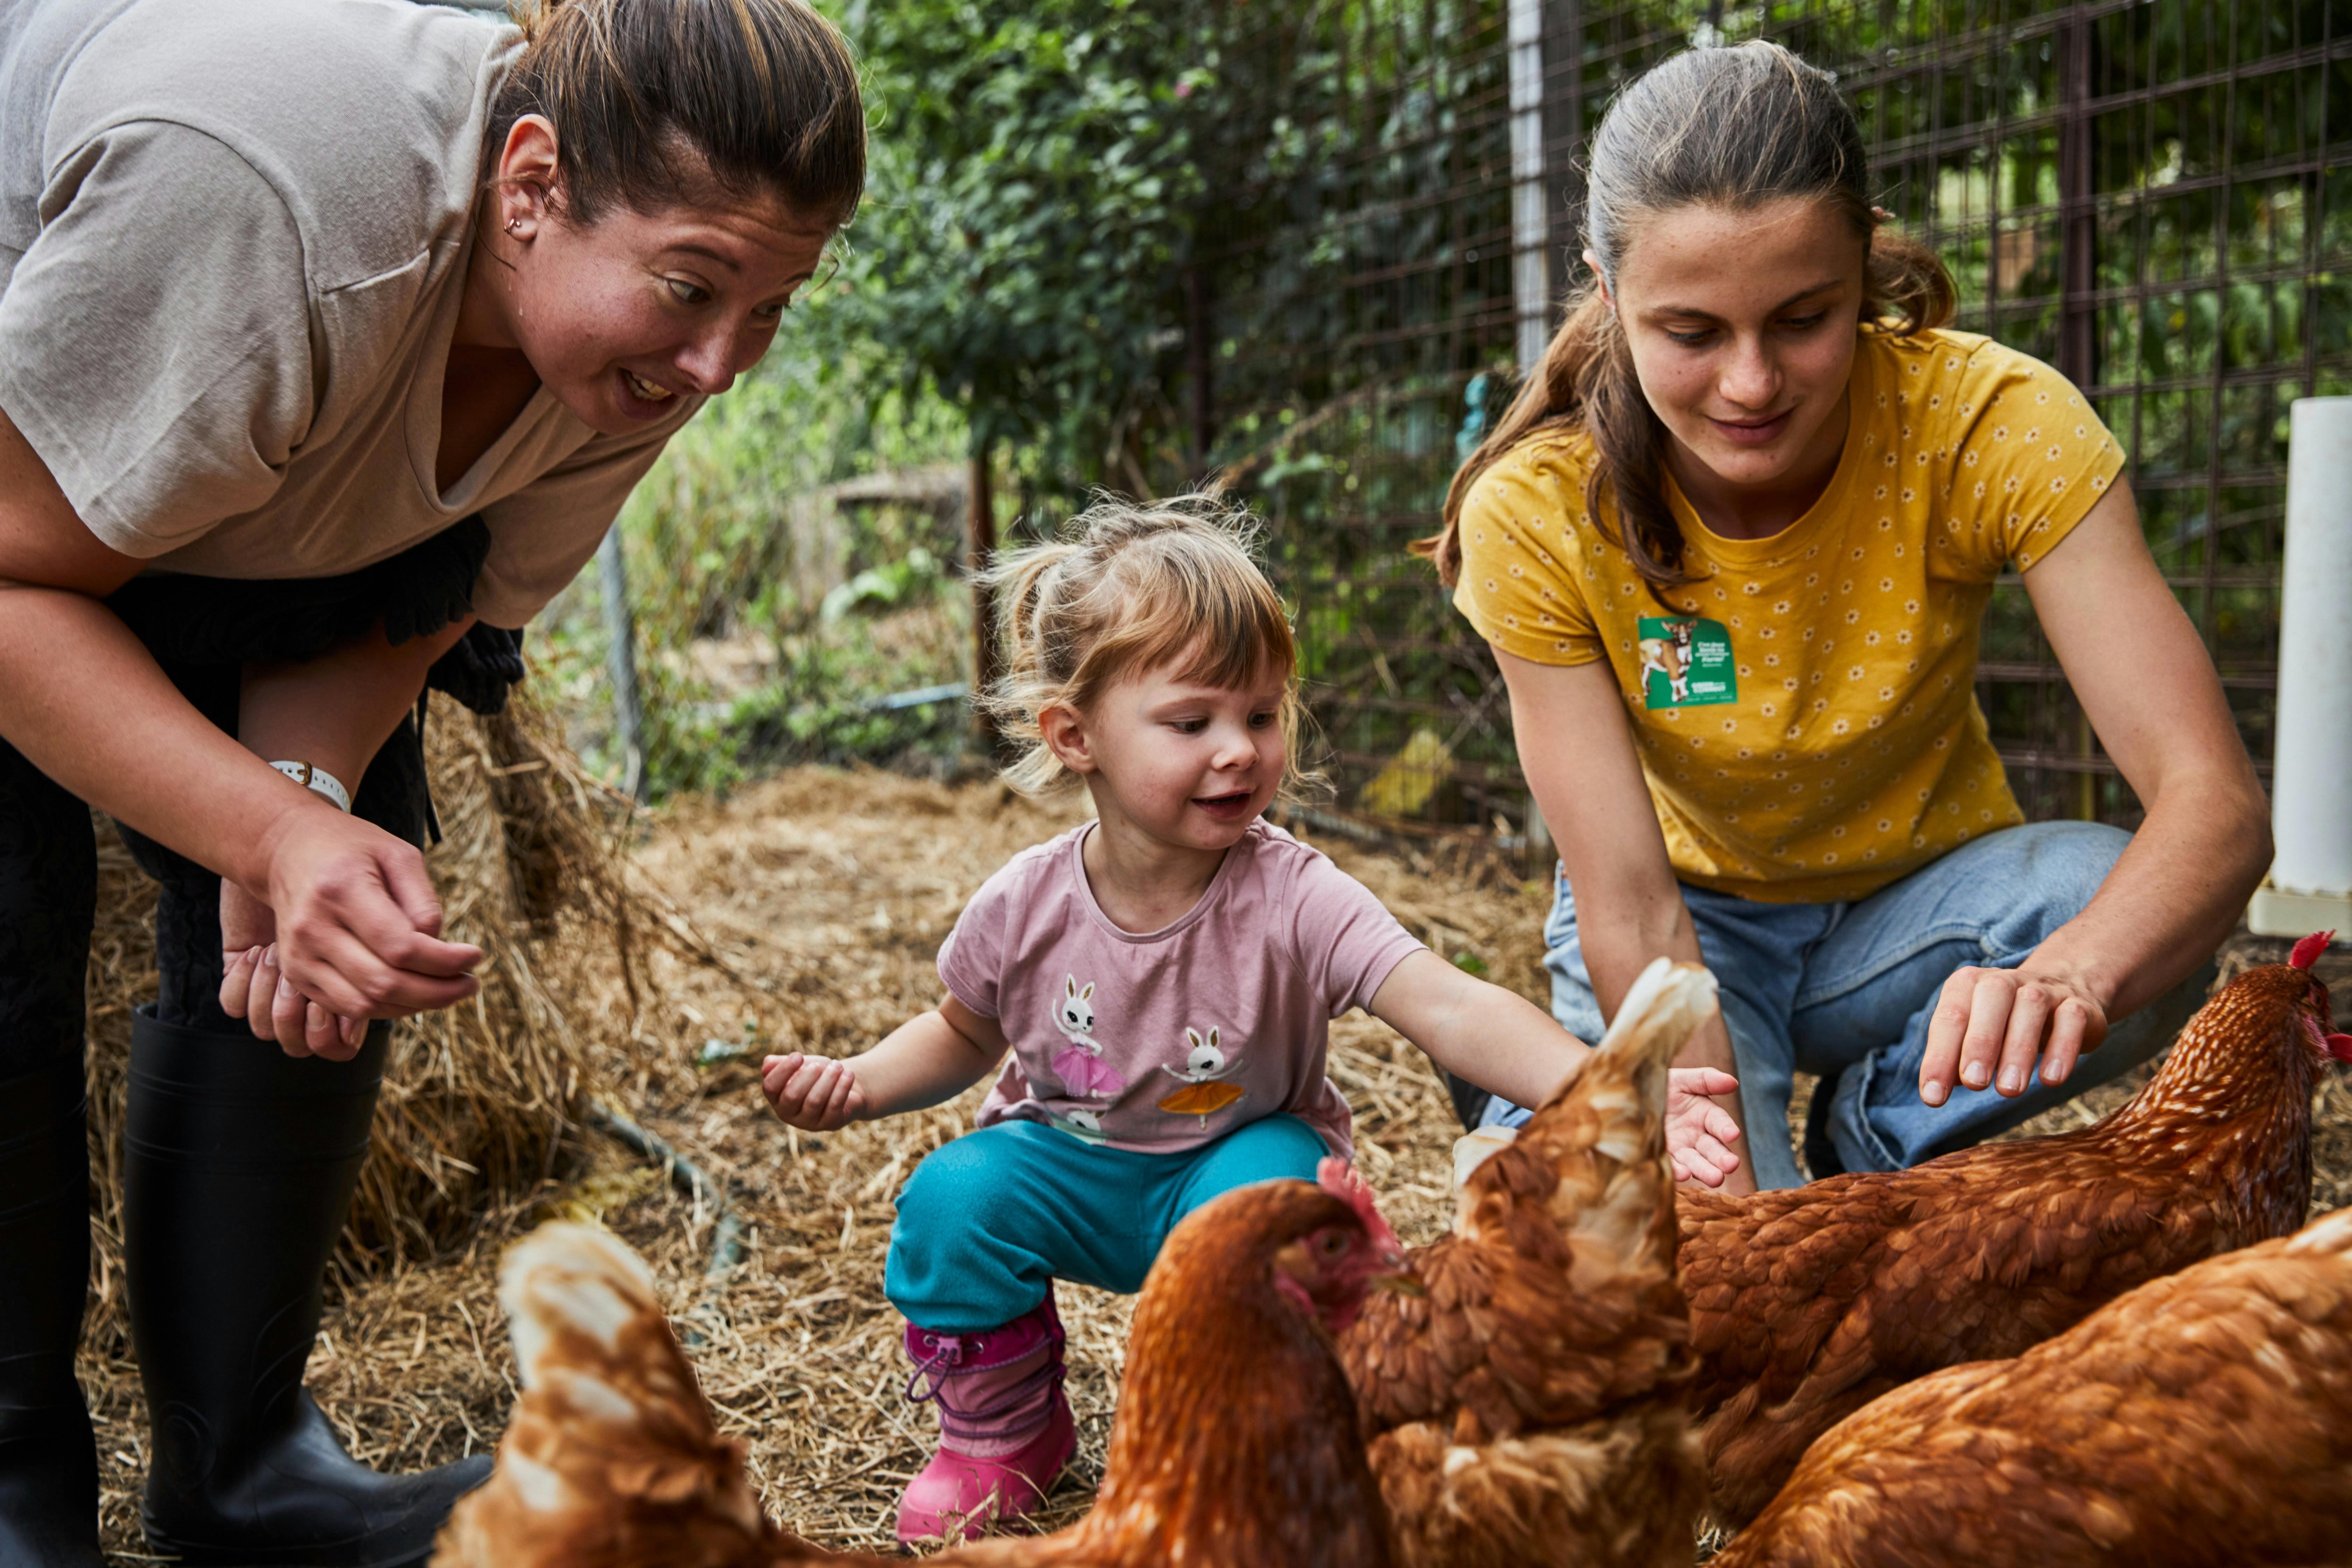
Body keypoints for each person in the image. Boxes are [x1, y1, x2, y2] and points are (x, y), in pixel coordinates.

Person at [0, 0, 863, 1562]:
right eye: (690, 291)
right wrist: (257, 824)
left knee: (345, 877)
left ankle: (240, 1465)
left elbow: (411, 586)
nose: (721, 362)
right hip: (39, 443)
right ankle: (10, 1478)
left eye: (772, 307)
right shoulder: (263, 201)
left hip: (218, 466)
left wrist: (297, 810)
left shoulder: (635, 349)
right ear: (528, 185)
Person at [758, 496, 1745, 1544]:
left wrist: (1604, 1084)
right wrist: (864, 1080)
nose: (1239, 750)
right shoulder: (1024, 903)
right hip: (1076, 1164)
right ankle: (1002, 1433)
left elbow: (1445, 1003)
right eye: (1193, 723)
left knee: (1279, 1188)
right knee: (953, 1200)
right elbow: (961, 1032)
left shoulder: (1295, 893)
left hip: (1233, 1163)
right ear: (1074, 735)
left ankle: (1233, 1434)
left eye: (1262, 715)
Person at [1423, 41, 2270, 1194]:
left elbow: (2216, 809)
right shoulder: (1539, 511)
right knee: (1734, 1277)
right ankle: (1556, 1096)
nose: (1752, 383)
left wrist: (2069, 976)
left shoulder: (1993, 424)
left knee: (2117, 912)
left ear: (1865, 259)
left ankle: (1868, 1153)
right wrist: (1736, 1198)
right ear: (1609, 290)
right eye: (1691, 333)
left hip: (1917, 913)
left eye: (1804, 317)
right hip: (1686, 933)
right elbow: (1631, 905)